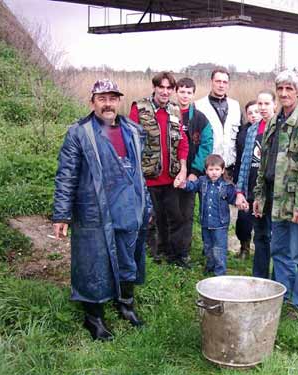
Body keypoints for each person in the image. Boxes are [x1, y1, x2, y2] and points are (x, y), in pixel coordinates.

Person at [52, 79, 150, 341]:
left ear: (119, 100)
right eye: (102, 98)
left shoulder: (133, 129)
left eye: (113, 98)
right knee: (94, 263)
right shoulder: (79, 133)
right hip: (94, 210)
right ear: (92, 101)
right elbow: (66, 175)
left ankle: (125, 304)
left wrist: (145, 206)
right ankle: (93, 317)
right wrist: (61, 214)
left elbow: (140, 173)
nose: (108, 103)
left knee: (128, 256)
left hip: (129, 207)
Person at [253, 71, 298, 313]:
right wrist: (260, 195)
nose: (284, 93)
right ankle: (282, 299)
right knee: (279, 251)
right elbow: (264, 164)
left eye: (289, 89)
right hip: (274, 198)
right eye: (280, 89)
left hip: (295, 203)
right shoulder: (273, 120)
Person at [129, 71, 190, 268]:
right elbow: (131, 143)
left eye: (168, 88)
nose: (165, 92)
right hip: (148, 177)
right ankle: (150, 258)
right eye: (161, 87)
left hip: (171, 178)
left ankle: (175, 256)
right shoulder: (139, 108)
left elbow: (182, 143)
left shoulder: (174, 110)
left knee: (176, 219)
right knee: (150, 219)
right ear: (154, 87)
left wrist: (182, 170)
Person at [174, 154, 240, 276]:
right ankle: (210, 266)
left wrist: (240, 202)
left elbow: (234, 199)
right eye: (211, 169)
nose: (214, 172)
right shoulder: (202, 181)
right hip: (206, 223)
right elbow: (192, 186)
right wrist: (184, 184)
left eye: (217, 169)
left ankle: (220, 272)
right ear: (206, 170)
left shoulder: (226, 186)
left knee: (219, 249)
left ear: (222, 170)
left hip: (220, 224)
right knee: (208, 247)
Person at [236, 90, 277, 278]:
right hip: (253, 189)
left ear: (274, 105)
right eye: (260, 104)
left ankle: (279, 280)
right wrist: (240, 190)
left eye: (266, 103)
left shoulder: (280, 128)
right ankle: (260, 277)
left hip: (273, 193)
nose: (262, 107)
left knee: (275, 238)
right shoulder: (253, 129)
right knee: (260, 236)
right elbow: (245, 162)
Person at [175, 77, 213, 259]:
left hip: (190, 175)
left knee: (186, 213)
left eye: (189, 92)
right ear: (176, 92)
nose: (185, 95)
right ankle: (165, 250)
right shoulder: (169, 113)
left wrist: (195, 172)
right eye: (181, 91)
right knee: (168, 212)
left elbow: (206, 145)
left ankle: (183, 252)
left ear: (193, 94)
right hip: (168, 175)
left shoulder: (199, 118)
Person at [195, 67, 241, 178]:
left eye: (224, 82)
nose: (221, 85)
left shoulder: (236, 106)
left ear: (228, 84)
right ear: (211, 82)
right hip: (208, 171)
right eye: (218, 81)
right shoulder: (198, 106)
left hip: (230, 169)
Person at [234, 100, 261, 259]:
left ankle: (261, 250)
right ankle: (244, 247)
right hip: (246, 180)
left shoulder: (269, 130)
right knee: (243, 218)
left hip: (260, 181)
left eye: (256, 112)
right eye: (250, 113)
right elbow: (240, 159)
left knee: (261, 219)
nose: (253, 115)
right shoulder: (243, 132)